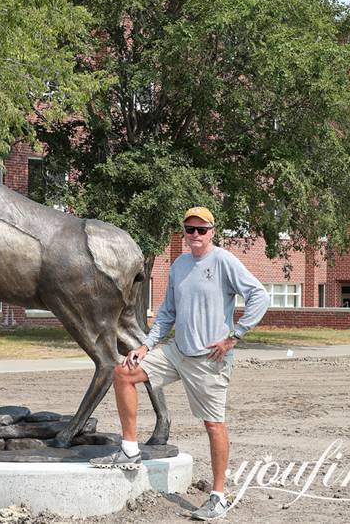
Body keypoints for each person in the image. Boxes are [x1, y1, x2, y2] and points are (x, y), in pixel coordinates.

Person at [90, 206, 269, 521]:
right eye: (190, 229)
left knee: (213, 425)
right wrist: (146, 345)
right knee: (124, 373)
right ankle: (130, 450)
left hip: (209, 359)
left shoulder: (224, 261)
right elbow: (167, 312)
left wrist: (234, 336)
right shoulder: (179, 265)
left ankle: (218, 497)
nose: (195, 235)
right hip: (176, 352)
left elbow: (259, 296)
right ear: (184, 232)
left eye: (202, 230)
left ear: (213, 231)